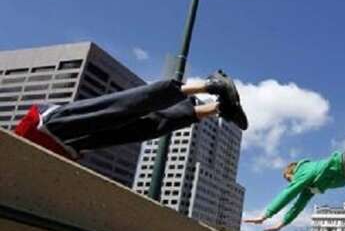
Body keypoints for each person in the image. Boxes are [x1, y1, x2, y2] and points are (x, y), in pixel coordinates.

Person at [13, 70, 247, 159]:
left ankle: (210, 85)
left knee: (121, 109)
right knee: (145, 128)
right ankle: (217, 108)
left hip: (44, 128)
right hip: (65, 148)